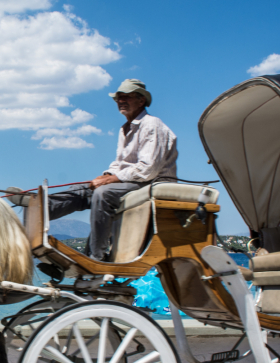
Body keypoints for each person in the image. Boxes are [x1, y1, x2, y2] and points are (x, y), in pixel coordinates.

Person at [12, 79, 177, 261]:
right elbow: (119, 164)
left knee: (103, 194)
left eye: (126, 97)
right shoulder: (125, 129)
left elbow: (148, 169)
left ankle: (95, 257)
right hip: (131, 181)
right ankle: (39, 211)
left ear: (141, 100)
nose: (121, 101)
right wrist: (106, 175)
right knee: (82, 190)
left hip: (150, 184)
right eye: (118, 98)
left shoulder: (152, 125)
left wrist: (109, 180)